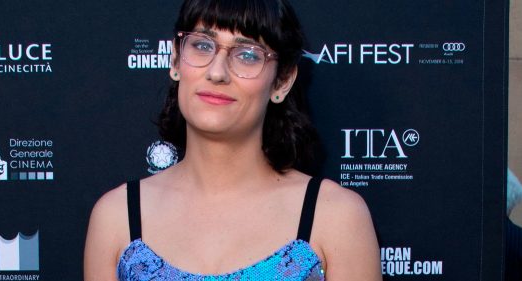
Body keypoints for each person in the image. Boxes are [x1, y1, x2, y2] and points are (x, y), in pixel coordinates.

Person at [84, 0, 381, 280]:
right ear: (175, 59)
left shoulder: (335, 216)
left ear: (282, 81)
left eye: (247, 55)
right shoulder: (117, 216)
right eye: (202, 46)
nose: (217, 72)